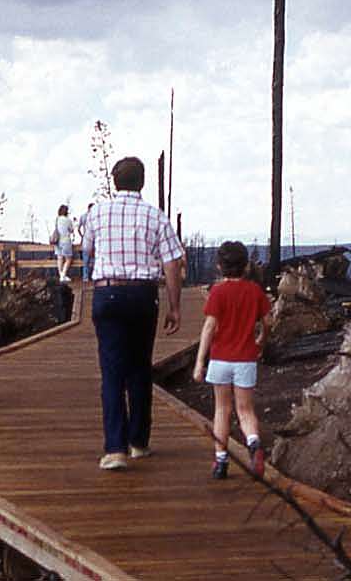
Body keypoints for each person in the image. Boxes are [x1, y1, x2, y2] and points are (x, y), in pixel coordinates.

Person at [79, 157, 184, 470]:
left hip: (107, 292)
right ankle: (139, 442)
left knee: (112, 371)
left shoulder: (96, 213)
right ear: (142, 182)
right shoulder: (155, 216)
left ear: (115, 182)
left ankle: (115, 449)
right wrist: (175, 306)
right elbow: (172, 263)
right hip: (142, 293)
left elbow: (88, 250)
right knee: (139, 367)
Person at [191, 241, 271, 478]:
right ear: (246, 266)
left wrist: (199, 362)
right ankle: (254, 443)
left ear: (219, 266)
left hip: (221, 360)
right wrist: (261, 340)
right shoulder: (255, 291)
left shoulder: (218, 292)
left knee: (222, 410)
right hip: (246, 358)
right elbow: (269, 322)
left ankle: (221, 461)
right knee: (245, 410)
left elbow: (209, 327)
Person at [52, 204, 75, 282]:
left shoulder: (57, 219)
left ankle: (61, 275)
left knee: (60, 258)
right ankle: (63, 274)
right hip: (65, 241)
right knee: (68, 258)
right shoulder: (68, 220)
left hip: (57, 241)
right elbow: (71, 230)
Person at [79, 202, 95, 280]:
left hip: (85, 239)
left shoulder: (83, 216)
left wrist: (82, 236)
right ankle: (92, 276)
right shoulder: (95, 216)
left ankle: (85, 277)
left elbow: (78, 228)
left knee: (86, 260)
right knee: (93, 259)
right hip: (94, 239)